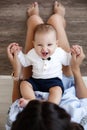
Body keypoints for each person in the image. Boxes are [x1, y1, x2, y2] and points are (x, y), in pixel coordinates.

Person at [11, 99, 84, 130]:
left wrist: (16, 77)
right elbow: (84, 99)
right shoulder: (79, 117)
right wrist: (76, 71)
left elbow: (15, 102)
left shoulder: (13, 118)